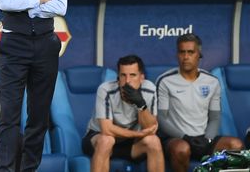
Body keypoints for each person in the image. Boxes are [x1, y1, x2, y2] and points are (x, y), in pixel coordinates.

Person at [0, 0, 67, 171]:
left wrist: (23, 1)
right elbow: (4, 2)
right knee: (9, 116)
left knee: (38, 116)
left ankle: (29, 169)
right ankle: (6, 169)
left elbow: (61, 6)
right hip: (14, 45)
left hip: (46, 44)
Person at [157, 33, 244, 172]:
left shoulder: (212, 81)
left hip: (204, 138)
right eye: (182, 52)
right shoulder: (165, 81)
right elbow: (161, 119)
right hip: (177, 138)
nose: (186, 57)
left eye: (190, 52)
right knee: (181, 149)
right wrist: (184, 137)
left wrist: (208, 139)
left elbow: (215, 117)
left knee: (236, 145)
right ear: (177, 54)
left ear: (199, 55)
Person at [82, 55, 165, 172]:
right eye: (123, 75)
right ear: (118, 77)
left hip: (131, 144)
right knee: (107, 140)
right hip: (99, 138)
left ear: (142, 78)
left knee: (154, 141)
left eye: (133, 75)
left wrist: (141, 104)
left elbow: (150, 128)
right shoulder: (105, 90)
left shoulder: (149, 89)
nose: (127, 81)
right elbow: (107, 130)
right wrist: (138, 135)